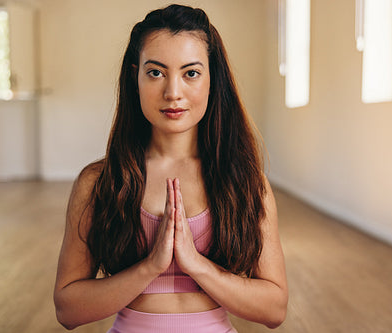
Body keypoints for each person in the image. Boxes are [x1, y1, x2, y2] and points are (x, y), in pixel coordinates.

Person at [53, 4, 288, 332]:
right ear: (135, 76)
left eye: (190, 73)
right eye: (156, 72)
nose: (172, 92)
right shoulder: (98, 182)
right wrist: (149, 267)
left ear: (212, 79)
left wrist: (196, 265)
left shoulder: (247, 182)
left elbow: (274, 309)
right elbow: (67, 310)